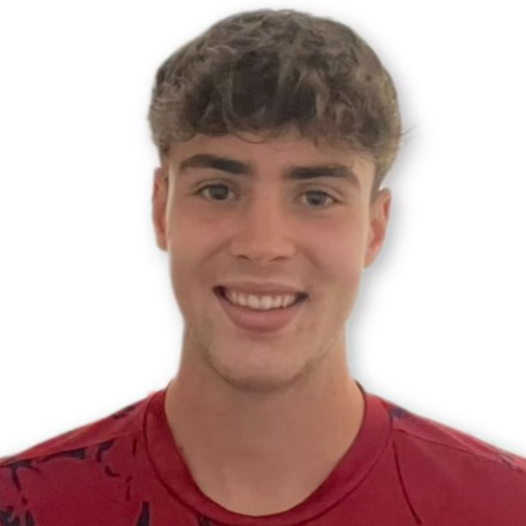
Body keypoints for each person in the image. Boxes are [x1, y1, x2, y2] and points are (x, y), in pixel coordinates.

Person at [1, 8, 525, 525]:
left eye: (316, 197)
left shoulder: (504, 508)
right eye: (219, 191)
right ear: (162, 209)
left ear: (375, 228)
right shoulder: (23, 506)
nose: (263, 244)